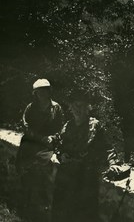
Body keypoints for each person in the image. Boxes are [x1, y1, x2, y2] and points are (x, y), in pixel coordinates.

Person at [52, 90, 120, 222]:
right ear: (70, 108)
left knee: (83, 214)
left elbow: (107, 148)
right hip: (66, 176)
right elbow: (59, 147)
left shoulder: (94, 126)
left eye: (81, 106)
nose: (78, 110)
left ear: (87, 108)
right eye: (74, 106)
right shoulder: (68, 126)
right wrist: (61, 155)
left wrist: (113, 163)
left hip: (85, 177)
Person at [16, 78, 64, 222]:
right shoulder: (30, 108)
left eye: (45, 90)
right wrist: (40, 138)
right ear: (35, 93)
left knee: (44, 167)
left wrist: (52, 138)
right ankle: (27, 202)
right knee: (26, 167)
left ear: (49, 91)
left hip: (47, 144)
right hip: (32, 142)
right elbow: (25, 126)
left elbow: (61, 128)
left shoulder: (56, 108)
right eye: (39, 91)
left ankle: (42, 205)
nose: (43, 93)